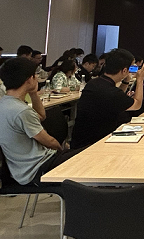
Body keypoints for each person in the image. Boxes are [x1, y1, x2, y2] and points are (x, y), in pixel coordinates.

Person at [0, 58, 85, 186]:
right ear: (30, 79)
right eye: (35, 75)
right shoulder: (21, 111)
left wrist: (33, 93)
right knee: (89, 156)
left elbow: (41, 116)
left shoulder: (6, 103)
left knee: (86, 153)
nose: (38, 78)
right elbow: (49, 142)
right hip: (38, 167)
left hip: (26, 167)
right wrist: (61, 150)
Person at [70, 49, 144, 150]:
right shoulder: (110, 91)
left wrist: (125, 81)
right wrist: (140, 80)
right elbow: (137, 104)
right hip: (92, 145)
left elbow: (117, 98)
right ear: (124, 71)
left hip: (83, 140)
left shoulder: (95, 83)